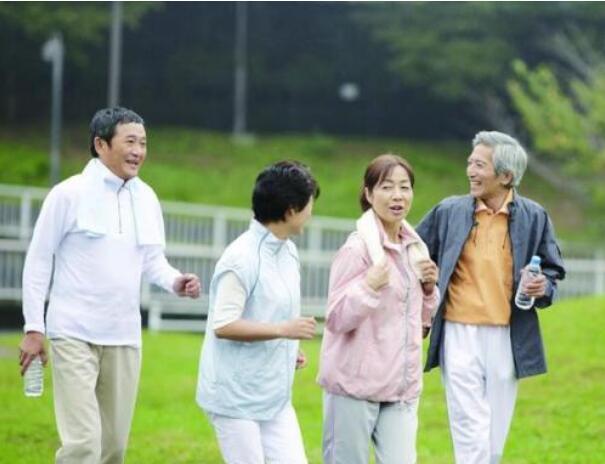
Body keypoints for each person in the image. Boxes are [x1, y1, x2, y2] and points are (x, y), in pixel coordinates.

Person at [18, 107, 201, 464]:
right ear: (100, 145)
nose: (138, 151)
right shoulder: (67, 194)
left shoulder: (146, 197)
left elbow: (152, 262)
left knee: (113, 448)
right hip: (73, 332)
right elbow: (38, 260)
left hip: (123, 336)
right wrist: (34, 327)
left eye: (143, 143)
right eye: (130, 141)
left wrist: (176, 282)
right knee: (83, 444)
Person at [416, 131, 566, 464]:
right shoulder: (449, 211)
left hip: (507, 334)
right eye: (470, 162)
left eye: (479, 165)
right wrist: (424, 281)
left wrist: (543, 287)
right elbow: (411, 249)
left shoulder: (535, 216)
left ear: (506, 176)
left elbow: (553, 272)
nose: (470, 170)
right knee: (468, 425)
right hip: (458, 332)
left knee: (495, 430)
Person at [318, 154, 439, 464]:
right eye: (387, 187)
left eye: (405, 187)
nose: (398, 196)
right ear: (369, 194)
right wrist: (368, 286)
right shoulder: (357, 249)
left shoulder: (415, 249)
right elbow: (335, 318)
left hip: (400, 388)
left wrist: (428, 289)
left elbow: (420, 324)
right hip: (353, 387)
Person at [196, 161, 320, 464]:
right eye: (309, 205)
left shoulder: (288, 251)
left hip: (274, 398)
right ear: (291, 210)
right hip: (234, 399)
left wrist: (289, 347)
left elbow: (271, 312)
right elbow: (224, 324)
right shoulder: (240, 259)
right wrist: (283, 331)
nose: (311, 213)